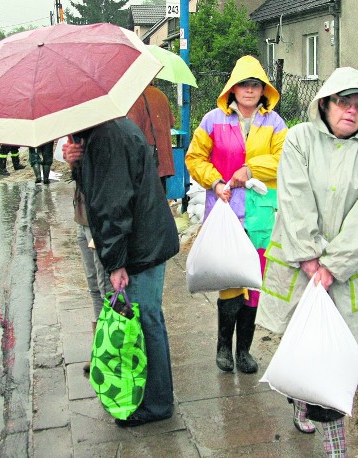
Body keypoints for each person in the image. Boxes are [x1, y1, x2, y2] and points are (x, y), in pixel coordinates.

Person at [264, 67, 358, 456]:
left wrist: (332, 265)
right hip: (302, 268)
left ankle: (336, 449)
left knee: (337, 360)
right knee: (303, 346)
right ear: (325, 104)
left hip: (345, 275)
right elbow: (294, 200)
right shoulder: (299, 140)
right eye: (343, 102)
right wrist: (309, 258)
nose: (351, 111)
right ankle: (301, 405)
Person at [63, 117, 179, 427]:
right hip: (144, 240)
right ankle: (158, 397)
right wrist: (78, 163)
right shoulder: (104, 131)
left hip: (140, 246)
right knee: (150, 319)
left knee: (146, 321)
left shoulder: (106, 137)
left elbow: (112, 203)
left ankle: (156, 404)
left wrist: (115, 263)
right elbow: (102, 189)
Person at [185, 55, 287, 374]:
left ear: (263, 90)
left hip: (260, 217)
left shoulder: (275, 123)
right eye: (243, 84)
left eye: (255, 85)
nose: (249, 90)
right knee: (230, 281)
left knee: (253, 284)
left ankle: (244, 350)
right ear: (233, 88)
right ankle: (223, 348)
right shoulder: (212, 120)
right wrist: (215, 181)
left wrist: (252, 168)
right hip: (226, 211)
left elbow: (286, 158)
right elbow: (194, 157)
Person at [62, 137, 112, 374]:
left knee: (105, 288)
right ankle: (99, 348)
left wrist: (85, 158)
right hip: (82, 218)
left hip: (98, 219)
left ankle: (109, 351)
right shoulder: (77, 134)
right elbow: (79, 178)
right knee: (93, 286)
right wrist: (73, 162)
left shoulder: (105, 134)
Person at [126, 83, 176, 192]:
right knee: (159, 198)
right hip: (162, 158)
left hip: (144, 161)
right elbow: (172, 122)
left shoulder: (134, 98)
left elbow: (130, 129)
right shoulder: (161, 95)